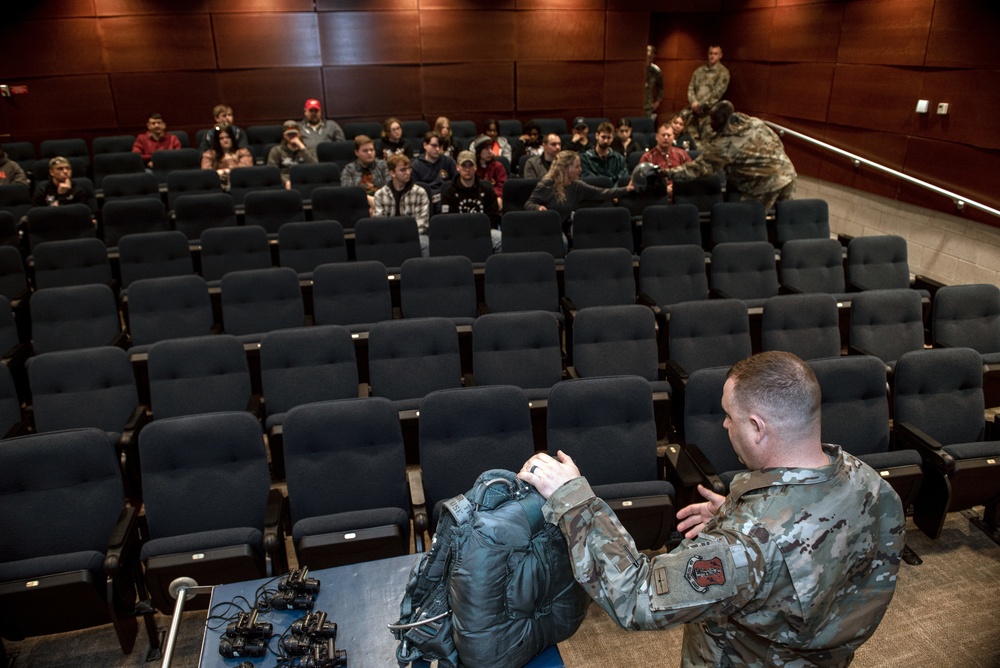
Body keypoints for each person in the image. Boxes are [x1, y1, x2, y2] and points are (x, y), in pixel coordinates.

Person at [518, 351, 904, 667]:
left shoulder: (748, 544)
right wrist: (735, 515)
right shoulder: (872, 484)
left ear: (757, 428)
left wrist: (573, 499)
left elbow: (636, 595)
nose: (723, 424)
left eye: (729, 416)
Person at [667, 100, 797, 211]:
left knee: (749, 223)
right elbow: (777, 143)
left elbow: (698, 169)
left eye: (714, 120)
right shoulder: (754, 122)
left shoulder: (725, 144)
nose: (711, 123)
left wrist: (667, 173)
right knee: (787, 217)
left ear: (723, 120)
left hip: (765, 184)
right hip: (788, 173)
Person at [525, 150, 633, 239]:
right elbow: (529, 204)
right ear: (566, 168)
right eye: (577, 167)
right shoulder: (547, 184)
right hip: (540, 229)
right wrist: (537, 208)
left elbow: (601, 192)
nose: (580, 170)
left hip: (558, 230)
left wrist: (626, 189)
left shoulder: (577, 186)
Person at [439, 150, 502, 252]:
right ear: (458, 167)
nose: (467, 169)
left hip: (483, 232)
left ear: (475, 167)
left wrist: (479, 232)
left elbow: (493, 217)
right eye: (464, 165)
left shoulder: (487, 189)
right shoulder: (448, 191)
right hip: (457, 234)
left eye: (470, 165)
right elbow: (447, 221)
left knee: (499, 238)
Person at [372, 153, 431, 256]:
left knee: (425, 243)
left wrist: (405, 237)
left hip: (414, 236)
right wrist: (394, 237)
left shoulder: (420, 192)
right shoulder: (380, 194)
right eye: (403, 170)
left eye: (409, 169)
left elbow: (422, 224)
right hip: (389, 237)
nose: (408, 173)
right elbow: (379, 223)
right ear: (392, 173)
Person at [687, 45, 730, 142]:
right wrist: (694, 103)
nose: (712, 56)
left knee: (706, 143)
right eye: (710, 53)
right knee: (692, 141)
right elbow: (691, 88)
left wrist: (700, 105)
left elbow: (717, 93)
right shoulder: (699, 71)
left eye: (715, 54)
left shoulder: (723, 72)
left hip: (709, 115)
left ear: (720, 56)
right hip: (694, 113)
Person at [340, 134, 390, 212]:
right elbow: (348, 193)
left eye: (372, 150)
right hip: (357, 207)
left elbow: (390, 188)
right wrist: (368, 199)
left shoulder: (383, 166)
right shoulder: (349, 169)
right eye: (365, 151)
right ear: (357, 152)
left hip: (383, 203)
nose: (369, 153)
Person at [411, 131, 457, 213]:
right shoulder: (415, 165)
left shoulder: (449, 162)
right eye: (434, 146)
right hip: (425, 202)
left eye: (440, 146)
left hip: (445, 200)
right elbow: (415, 190)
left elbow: (456, 182)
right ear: (425, 145)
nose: (437, 149)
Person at [31, 156, 95, 211]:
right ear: (51, 172)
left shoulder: (78, 190)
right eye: (60, 169)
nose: (65, 171)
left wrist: (63, 196)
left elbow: (79, 214)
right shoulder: (42, 190)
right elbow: (37, 214)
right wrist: (61, 195)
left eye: (68, 168)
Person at [200, 125, 253, 191]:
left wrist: (221, 172)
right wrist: (227, 171)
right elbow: (206, 173)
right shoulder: (209, 155)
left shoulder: (243, 153)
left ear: (232, 138)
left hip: (239, 187)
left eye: (228, 137)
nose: (225, 140)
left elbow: (245, 171)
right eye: (221, 138)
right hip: (216, 187)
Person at [267, 120, 318, 187]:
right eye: (289, 134)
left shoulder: (308, 150)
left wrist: (301, 147)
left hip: (305, 181)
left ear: (299, 134)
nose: (292, 136)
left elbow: (315, 167)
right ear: (284, 135)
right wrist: (286, 181)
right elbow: (272, 171)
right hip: (283, 182)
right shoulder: (276, 150)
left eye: (294, 134)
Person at [472, 135, 507, 209]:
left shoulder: (498, 166)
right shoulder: (473, 168)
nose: (490, 152)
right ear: (479, 151)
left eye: (491, 148)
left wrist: (499, 197)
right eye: (486, 149)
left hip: (494, 197)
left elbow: (501, 186)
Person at [645, 45, 664, 120]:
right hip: (634, 103)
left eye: (651, 57)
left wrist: (658, 101)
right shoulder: (635, 67)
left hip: (648, 105)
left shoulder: (655, 70)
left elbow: (660, 87)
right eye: (648, 56)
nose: (649, 59)